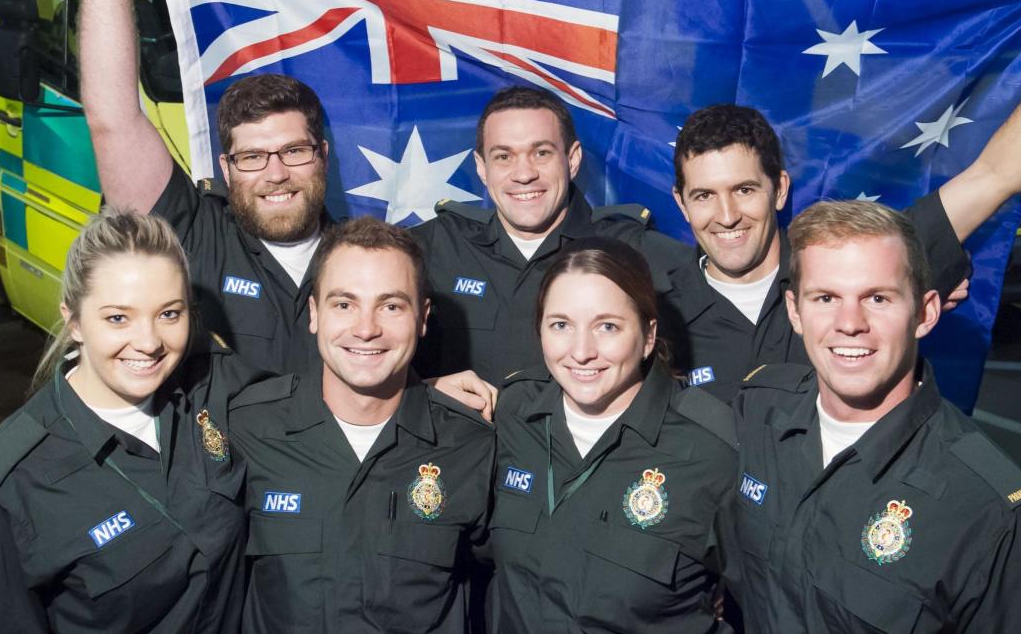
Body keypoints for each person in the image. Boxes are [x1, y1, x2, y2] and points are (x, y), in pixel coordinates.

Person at [79, 0, 493, 414]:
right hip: (215, 496)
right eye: (252, 157)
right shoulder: (193, 235)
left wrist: (425, 395)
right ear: (225, 170)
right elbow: (112, 117)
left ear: (322, 155)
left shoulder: (369, 260)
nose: (275, 173)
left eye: (293, 151)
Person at [663, 0, 1021, 403]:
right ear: (681, 204)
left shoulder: (860, 265)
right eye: (704, 195)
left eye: (745, 190)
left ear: (779, 189)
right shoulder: (652, 309)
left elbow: (998, 174)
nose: (726, 216)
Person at [725, 200, 1021, 632]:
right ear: (795, 310)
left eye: (878, 298)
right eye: (826, 297)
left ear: (924, 313)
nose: (849, 323)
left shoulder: (994, 517)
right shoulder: (758, 411)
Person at [0, 209, 257, 632]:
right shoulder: (14, 481)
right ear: (74, 320)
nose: (149, 342)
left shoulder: (212, 382)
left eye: (169, 313)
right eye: (118, 318)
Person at [229, 217, 495, 632]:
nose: (367, 329)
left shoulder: (473, 446)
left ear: (422, 318)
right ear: (315, 313)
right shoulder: (245, 429)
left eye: (391, 306)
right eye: (344, 304)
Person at [488, 237, 735, 633]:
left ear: (648, 336)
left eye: (607, 326)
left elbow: (774, 600)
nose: (582, 351)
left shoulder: (712, 449)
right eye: (561, 325)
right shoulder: (514, 416)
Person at [412, 86, 689, 386]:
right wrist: (422, 391)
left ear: (572, 159)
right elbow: (363, 343)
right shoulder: (434, 246)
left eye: (541, 153)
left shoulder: (631, 251)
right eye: (504, 156)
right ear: (482, 168)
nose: (523, 174)